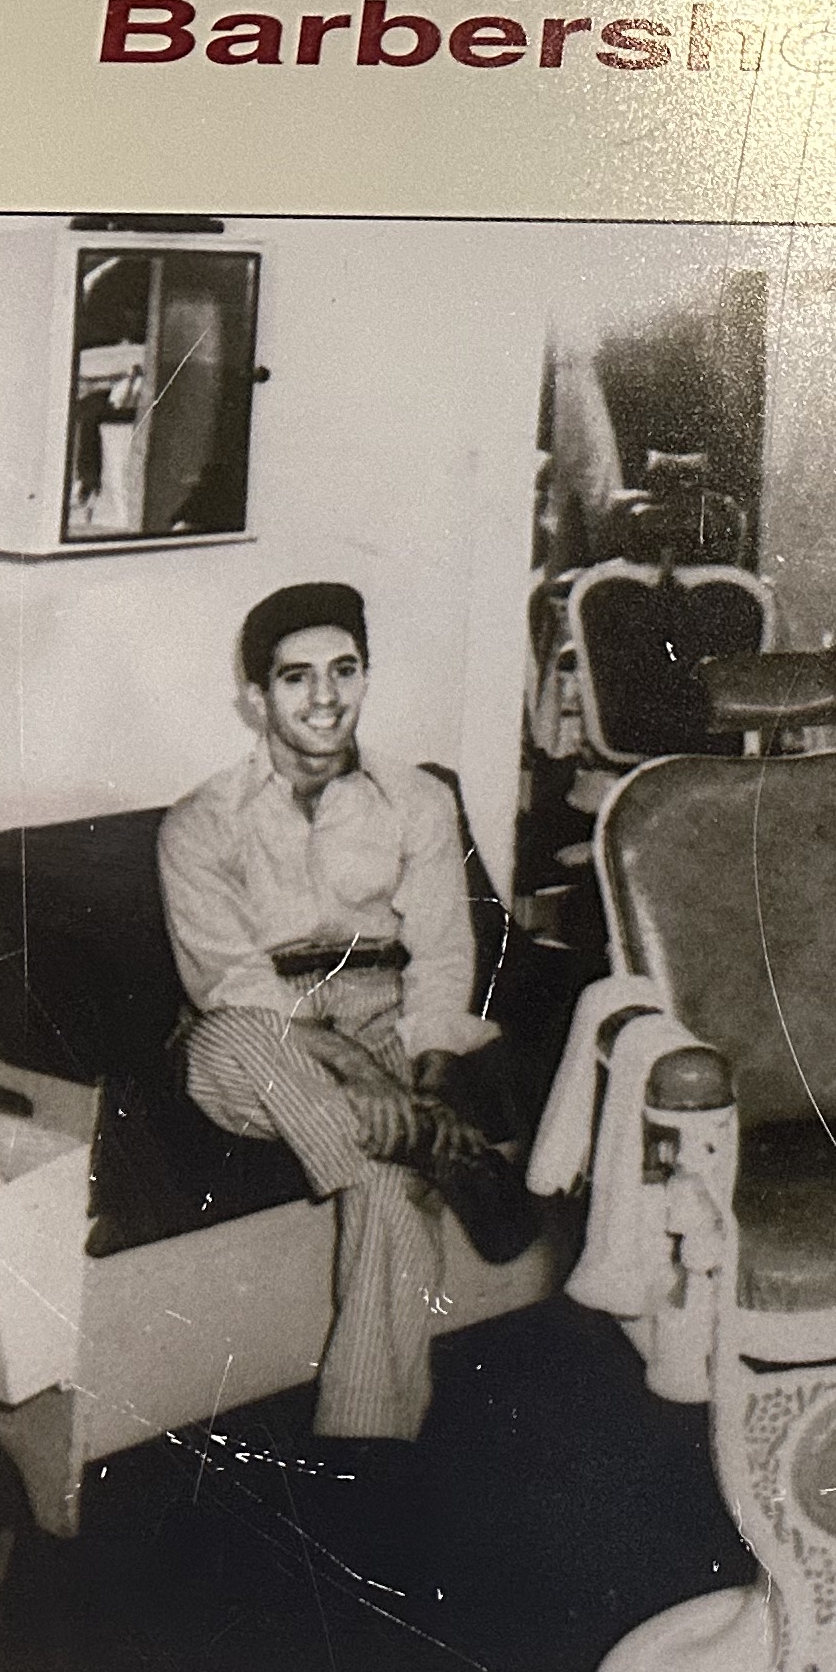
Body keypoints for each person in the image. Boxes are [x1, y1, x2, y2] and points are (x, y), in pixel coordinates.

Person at [155, 581, 533, 1444]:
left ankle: (363, 1449)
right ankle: (439, 1143)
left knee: (390, 1190)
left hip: (382, 1008)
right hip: (253, 1036)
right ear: (256, 699)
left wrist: (426, 1066)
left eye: (344, 670)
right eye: (296, 678)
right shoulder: (200, 824)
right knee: (243, 1032)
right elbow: (232, 984)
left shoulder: (419, 800)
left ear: (366, 677)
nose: (325, 697)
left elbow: (440, 956)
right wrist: (365, 1080)